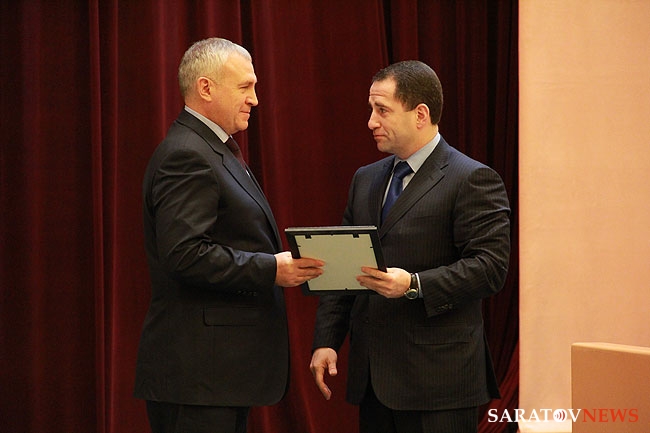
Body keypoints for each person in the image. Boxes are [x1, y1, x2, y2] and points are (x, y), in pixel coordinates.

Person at [309, 60, 510, 433]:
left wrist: (414, 285)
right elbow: (343, 264)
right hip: (373, 383)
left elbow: (489, 269)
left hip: (439, 385)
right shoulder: (365, 179)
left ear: (420, 115)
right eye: (371, 109)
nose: (371, 121)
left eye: (382, 110)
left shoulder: (472, 178)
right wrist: (327, 340)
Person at [134, 37, 323, 433]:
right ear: (206, 88)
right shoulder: (187, 154)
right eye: (244, 87)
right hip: (198, 378)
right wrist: (271, 269)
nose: (255, 99)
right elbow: (184, 254)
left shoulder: (212, 149)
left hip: (217, 378)